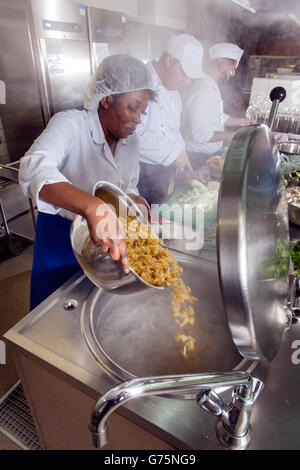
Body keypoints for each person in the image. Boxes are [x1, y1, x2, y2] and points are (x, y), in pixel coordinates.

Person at [19, 54, 155, 310]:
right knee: (53, 320)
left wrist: (136, 202)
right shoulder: (70, 124)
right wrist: (92, 207)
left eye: (142, 111)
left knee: (96, 312)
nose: (138, 118)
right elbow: (32, 167)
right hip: (61, 241)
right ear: (107, 99)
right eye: (133, 107)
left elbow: (128, 187)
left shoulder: (131, 142)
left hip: (108, 246)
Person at [137, 33, 204, 205]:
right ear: (170, 61)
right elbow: (131, 138)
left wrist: (187, 169)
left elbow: (173, 134)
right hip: (135, 179)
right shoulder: (138, 83)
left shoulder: (174, 94)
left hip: (161, 179)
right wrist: (173, 153)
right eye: (185, 74)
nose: (187, 81)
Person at [183, 42, 255, 171]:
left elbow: (216, 116)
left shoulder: (211, 85)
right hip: (198, 158)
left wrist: (242, 122)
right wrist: (232, 136)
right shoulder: (202, 90)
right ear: (221, 66)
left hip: (210, 153)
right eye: (233, 69)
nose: (232, 74)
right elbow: (200, 135)